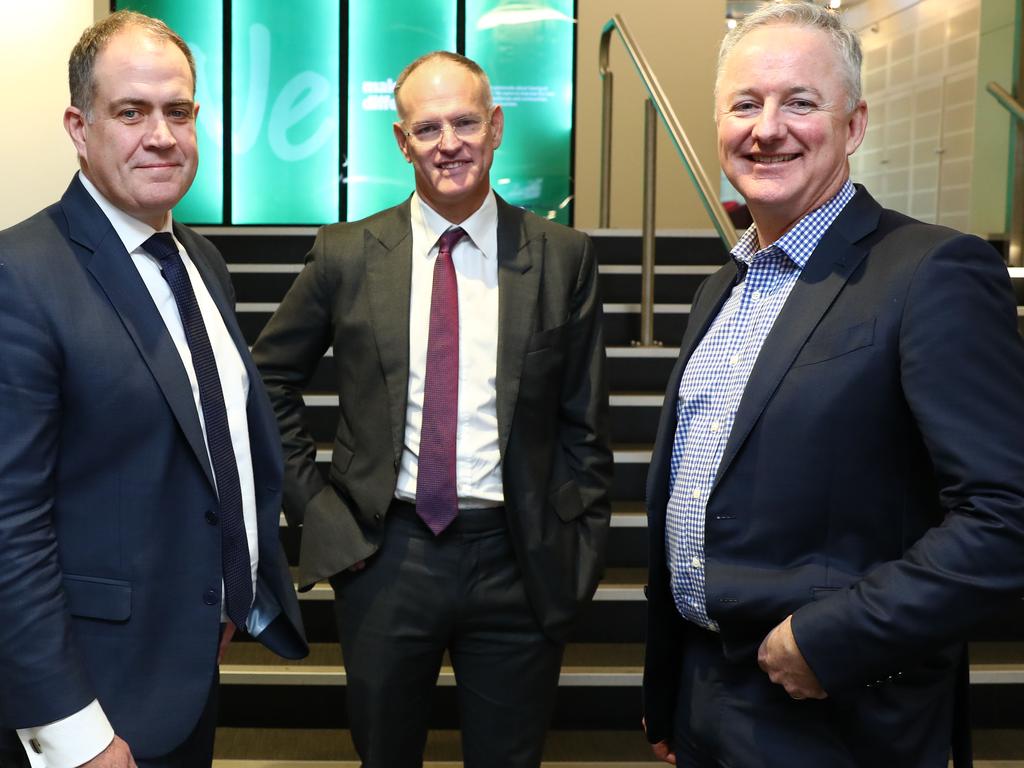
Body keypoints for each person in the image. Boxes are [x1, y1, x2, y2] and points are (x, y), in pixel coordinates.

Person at [642, 2, 1024, 766]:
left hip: (836, 711)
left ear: (853, 127)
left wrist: (830, 641)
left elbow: (1007, 516)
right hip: (704, 696)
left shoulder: (930, 273)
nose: (767, 127)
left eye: (801, 102)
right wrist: (671, 695)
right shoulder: (723, 285)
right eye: (745, 103)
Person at [252, 50, 613, 768]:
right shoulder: (346, 254)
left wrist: (582, 546)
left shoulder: (562, 257)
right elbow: (266, 382)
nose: (449, 143)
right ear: (400, 140)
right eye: (428, 128)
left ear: (497, 125)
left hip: (518, 557)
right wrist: (322, 513)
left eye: (466, 122)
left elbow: (587, 423)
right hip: (387, 555)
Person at [0, 11, 307, 768]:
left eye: (178, 111)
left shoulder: (199, 260)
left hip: (184, 668)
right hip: (90, 707)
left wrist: (236, 587)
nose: (161, 134)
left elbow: (212, 442)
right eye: (131, 112)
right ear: (79, 126)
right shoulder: (21, 276)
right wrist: (73, 735)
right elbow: (9, 527)